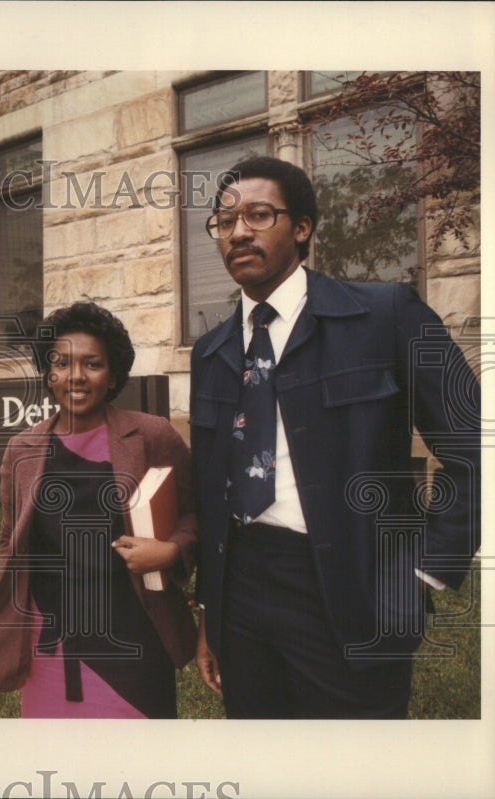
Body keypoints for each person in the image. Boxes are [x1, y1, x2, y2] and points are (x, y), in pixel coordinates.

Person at [190, 155, 481, 718]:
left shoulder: (386, 315)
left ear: (302, 228)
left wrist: (423, 573)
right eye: (224, 222)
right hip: (243, 585)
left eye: (258, 214)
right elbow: (211, 488)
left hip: (352, 585)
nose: (238, 232)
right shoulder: (213, 351)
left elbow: (476, 448)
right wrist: (210, 611)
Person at [0, 301, 198, 718]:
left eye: (92, 363)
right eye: (61, 363)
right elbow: (10, 536)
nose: (75, 376)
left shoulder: (151, 436)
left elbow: (196, 514)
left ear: (113, 374)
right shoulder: (22, 449)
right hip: (49, 648)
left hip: (133, 641)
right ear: (48, 373)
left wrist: (170, 552)